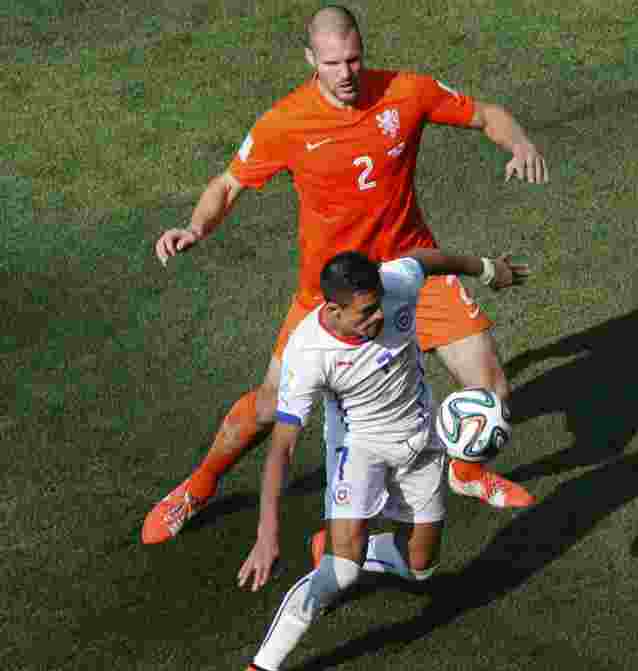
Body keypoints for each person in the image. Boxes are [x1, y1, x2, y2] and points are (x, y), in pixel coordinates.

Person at [142, 5, 549, 545]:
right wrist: (195, 228)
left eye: (354, 59)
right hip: (328, 293)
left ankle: (467, 473)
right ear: (312, 59)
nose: (346, 73)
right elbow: (228, 185)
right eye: (332, 63)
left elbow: (486, 114)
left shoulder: (407, 91)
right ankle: (198, 485)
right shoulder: (286, 121)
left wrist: (518, 143)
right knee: (269, 404)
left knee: (491, 387)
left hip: (412, 271)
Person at [231, 248, 527, 671]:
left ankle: (338, 544)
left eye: (378, 307)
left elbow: (430, 260)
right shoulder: (308, 356)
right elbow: (281, 450)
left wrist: (490, 270)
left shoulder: (395, 283)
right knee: (341, 573)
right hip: (359, 451)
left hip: (421, 434)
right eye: (364, 313)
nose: (376, 319)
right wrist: (267, 535)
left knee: (422, 566)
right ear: (332, 309)